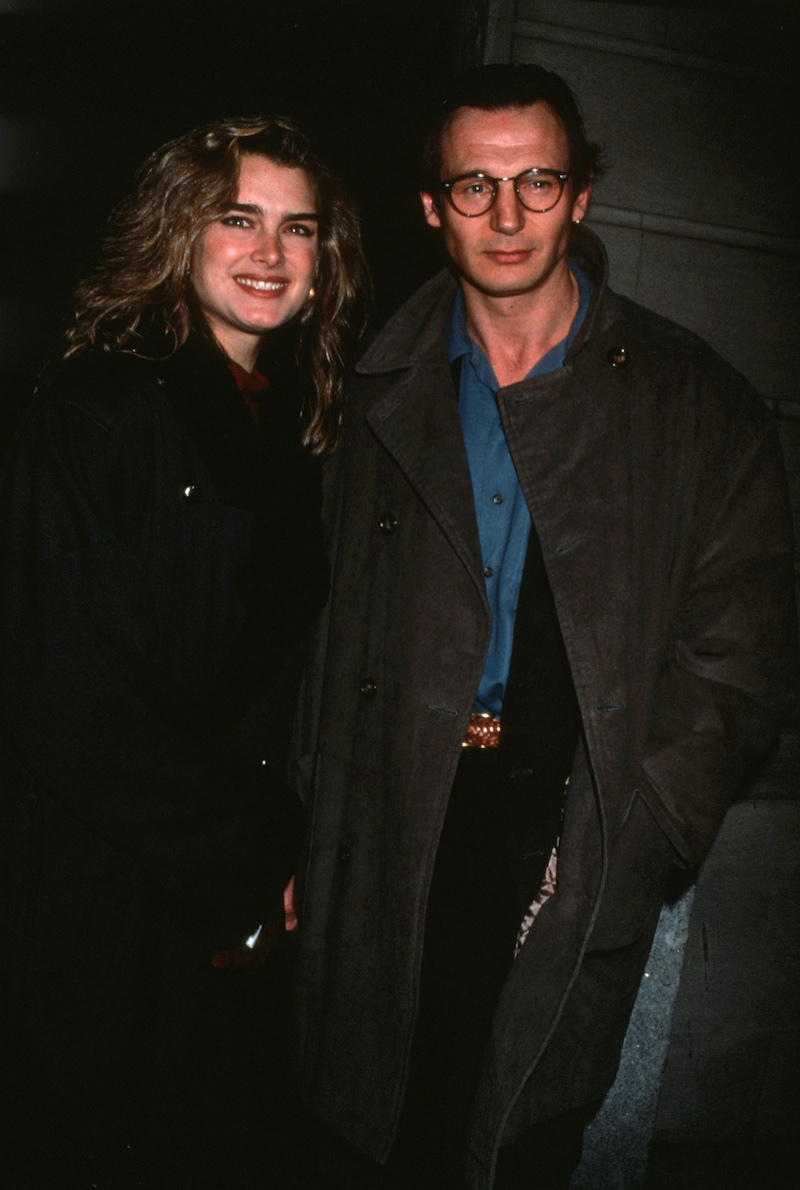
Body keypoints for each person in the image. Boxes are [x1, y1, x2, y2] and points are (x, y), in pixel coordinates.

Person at [289, 64, 798, 1190]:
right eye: (474, 184)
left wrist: (646, 823)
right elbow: (311, 629)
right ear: (430, 206)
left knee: (516, 1137)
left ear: (581, 196)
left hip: (564, 827)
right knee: (368, 1130)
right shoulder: (368, 390)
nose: (507, 215)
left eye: (536, 181)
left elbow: (743, 654)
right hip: (386, 817)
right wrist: (305, 818)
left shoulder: (695, 405)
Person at [0, 115, 367, 1188]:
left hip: (225, 892)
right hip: (102, 878)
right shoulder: (99, 408)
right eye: (236, 218)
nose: (269, 253)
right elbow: (67, 688)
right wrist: (248, 849)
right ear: (179, 232)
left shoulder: (301, 427)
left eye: (298, 229)